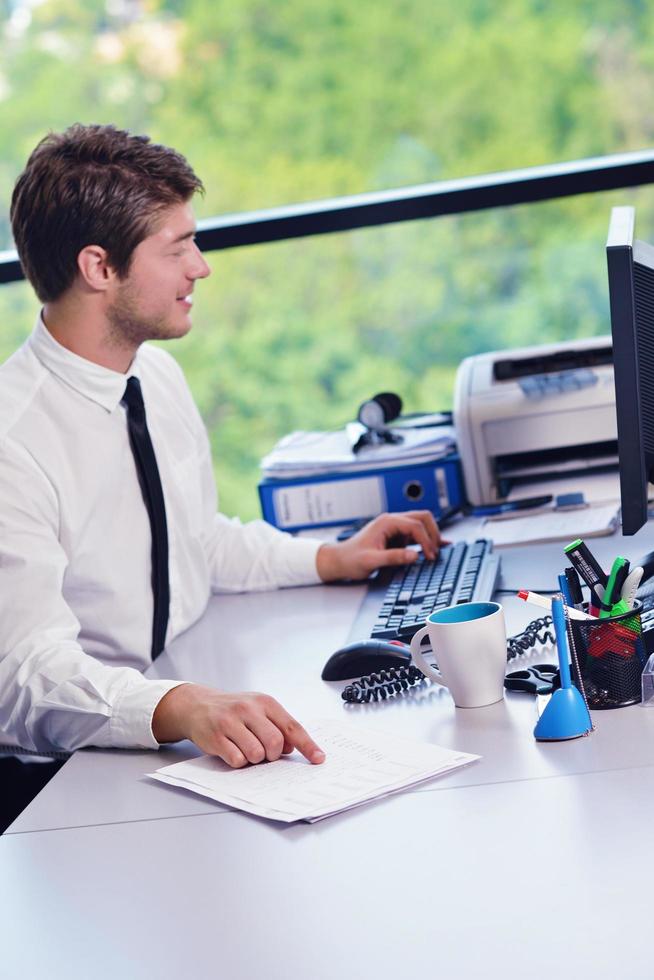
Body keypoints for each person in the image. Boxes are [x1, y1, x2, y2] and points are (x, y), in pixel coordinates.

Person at [0, 124, 442, 804]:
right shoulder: (14, 439)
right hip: (62, 778)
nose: (200, 266)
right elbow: (23, 676)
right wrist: (180, 706)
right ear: (98, 268)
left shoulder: (157, 378)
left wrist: (330, 557)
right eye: (177, 248)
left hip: (173, 730)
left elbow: (195, 543)